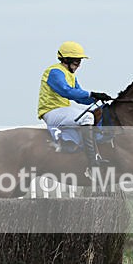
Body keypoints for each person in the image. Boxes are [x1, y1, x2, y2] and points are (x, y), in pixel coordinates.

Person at [37, 41, 113, 170]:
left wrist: (96, 98)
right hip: (52, 111)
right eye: (77, 61)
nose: (79, 65)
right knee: (87, 117)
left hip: (62, 110)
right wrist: (91, 93)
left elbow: (79, 98)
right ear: (66, 59)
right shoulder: (55, 72)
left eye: (79, 61)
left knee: (95, 112)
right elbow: (66, 91)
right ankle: (92, 160)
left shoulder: (70, 75)